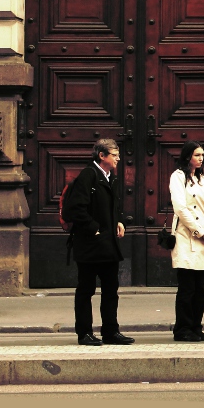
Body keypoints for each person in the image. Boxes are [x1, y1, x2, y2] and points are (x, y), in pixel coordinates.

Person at [63, 139, 135, 347]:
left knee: (111, 290)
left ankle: (111, 331)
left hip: (108, 244)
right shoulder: (88, 175)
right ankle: (84, 333)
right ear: (101, 156)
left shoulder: (109, 177)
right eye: (114, 154)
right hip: (90, 245)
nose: (118, 158)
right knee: (86, 290)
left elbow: (111, 205)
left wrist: (119, 220)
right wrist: (93, 227)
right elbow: (74, 209)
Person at [169, 141, 204, 342]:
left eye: (202, 155)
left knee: (200, 288)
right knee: (187, 288)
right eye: (197, 155)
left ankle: (196, 326)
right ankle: (182, 328)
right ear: (188, 156)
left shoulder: (201, 178)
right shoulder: (178, 177)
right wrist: (198, 230)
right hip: (186, 236)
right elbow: (180, 207)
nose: (201, 158)